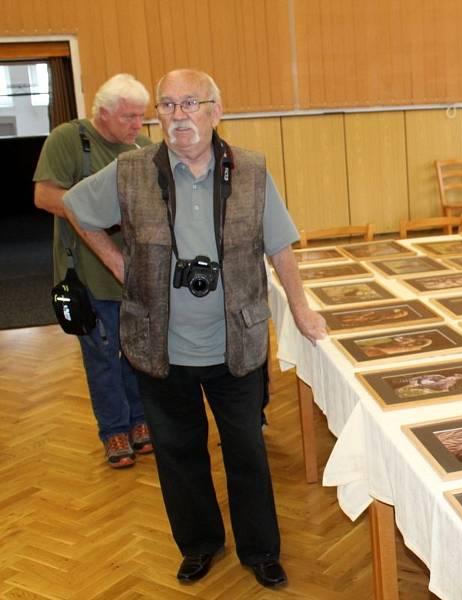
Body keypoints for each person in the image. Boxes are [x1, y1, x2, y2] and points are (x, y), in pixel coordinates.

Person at [61, 69, 326, 588]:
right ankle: (200, 543)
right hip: (158, 346)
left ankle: (261, 550)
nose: (178, 115)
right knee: (180, 455)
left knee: (247, 451)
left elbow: (279, 246)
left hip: (237, 342)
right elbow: (75, 209)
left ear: (215, 110)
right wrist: (119, 264)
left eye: (190, 103)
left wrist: (300, 307)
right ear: (157, 116)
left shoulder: (250, 170)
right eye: (167, 105)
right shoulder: (130, 171)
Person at [32, 73, 152, 469]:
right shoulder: (68, 140)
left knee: (136, 352)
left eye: (140, 116)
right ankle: (114, 429)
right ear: (103, 113)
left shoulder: (143, 146)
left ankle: (139, 421)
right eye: (129, 117)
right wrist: (99, 210)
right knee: (102, 352)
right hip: (87, 272)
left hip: (135, 273)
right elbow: (45, 196)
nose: (138, 125)